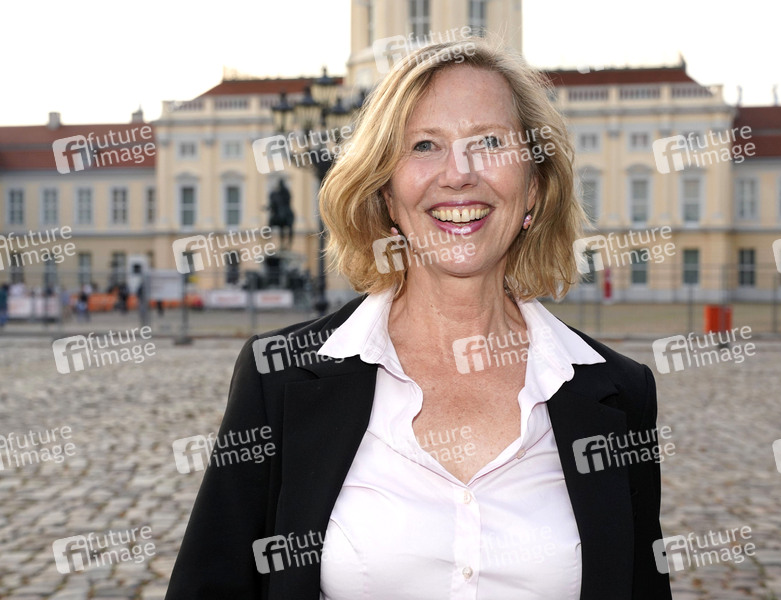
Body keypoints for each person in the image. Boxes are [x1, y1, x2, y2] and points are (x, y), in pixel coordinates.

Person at [166, 39, 671, 599]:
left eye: (490, 142)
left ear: (534, 187)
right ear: (386, 193)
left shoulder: (620, 394)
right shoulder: (278, 378)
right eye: (425, 145)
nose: (459, 174)